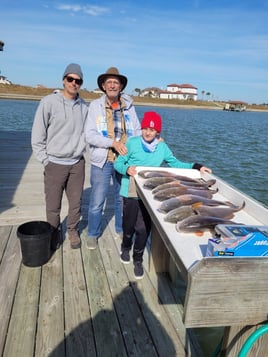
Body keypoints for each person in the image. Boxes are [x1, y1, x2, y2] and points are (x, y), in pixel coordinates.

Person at [114, 111, 212, 279]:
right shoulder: (132, 143)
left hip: (150, 193)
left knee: (144, 229)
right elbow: (118, 162)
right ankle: (125, 247)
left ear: (157, 132)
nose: (148, 132)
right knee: (128, 225)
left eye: (152, 130)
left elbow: (176, 164)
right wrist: (126, 169)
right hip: (130, 191)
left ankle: (137, 259)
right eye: (145, 128)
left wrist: (197, 166)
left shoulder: (162, 148)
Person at [31, 63, 88, 250]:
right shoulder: (48, 102)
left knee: (76, 203)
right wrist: (45, 160)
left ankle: (72, 230)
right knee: (53, 205)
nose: (74, 83)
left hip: (77, 164)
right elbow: (37, 134)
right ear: (64, 80)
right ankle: (54, 233)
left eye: (78, 80)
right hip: (54, 163)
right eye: (70, 79)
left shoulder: (84, 107)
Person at [85, 67, 141, 250]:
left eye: (115, 82)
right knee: (97, 200)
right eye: (108, 82)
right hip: (103, 160)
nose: (112, 85)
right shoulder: (95, 106)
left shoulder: (129, 107)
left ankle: (120, 228)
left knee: (121, 199)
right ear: (103, 85)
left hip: (123, 161)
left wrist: (155, 138)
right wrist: (112, 143)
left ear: (121, 86)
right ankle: (93, 233)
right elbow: (90, 135)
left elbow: (138, 132)